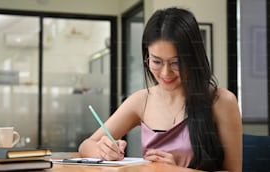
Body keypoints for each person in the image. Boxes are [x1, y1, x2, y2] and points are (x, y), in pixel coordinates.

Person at [79, 7, 242, 171]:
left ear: (193, 58)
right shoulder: (142, 100)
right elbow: (86, 145)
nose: (165, 73)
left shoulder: (222, 101)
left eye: (176, 63)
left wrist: (177, 170)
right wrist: (104, 150)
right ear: (146, 58)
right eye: (156, 62)